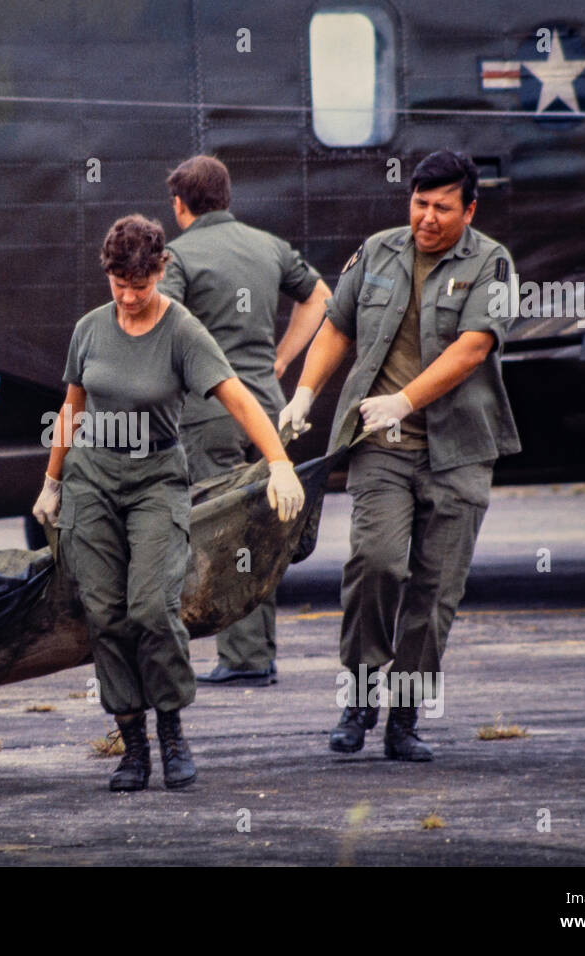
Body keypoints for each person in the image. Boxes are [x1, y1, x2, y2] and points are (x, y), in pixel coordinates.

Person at [32, 214, 305, 792]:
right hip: (92, 479)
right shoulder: (89, 329)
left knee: (152, 607)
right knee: (103, 614)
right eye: (118, 285)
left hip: (156, 479)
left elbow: (239, 399)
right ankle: (131, 745)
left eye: (141, 284)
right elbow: (72, 407)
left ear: (161, 270)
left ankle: (172, 730)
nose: (129, 298)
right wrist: (52, 481)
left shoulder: (182, 331)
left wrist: (278, 462)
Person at [280, 151, 521, 761]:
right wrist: (305, 393)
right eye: (419, 204)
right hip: (380, 447)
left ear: (470, 208)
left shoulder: (491, 262)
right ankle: (360, 695)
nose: (428, 218)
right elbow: (336, 324)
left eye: (443, 207)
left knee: (434, 591)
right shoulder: (380, 250)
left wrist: (405, 401)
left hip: (459, 450)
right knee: (377, 563)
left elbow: (471, 349)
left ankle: (404, 718)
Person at [159, 155, 331, 686]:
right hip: (269, 408)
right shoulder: (269, 246)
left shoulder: (178, 257)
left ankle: (243, 657)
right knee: (260, 528)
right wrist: (280, 358)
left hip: (211, 414)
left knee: (221, 533)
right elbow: (323, 297)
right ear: (227, 196)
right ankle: (255, 652)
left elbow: (162, 327)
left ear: (179, 205)